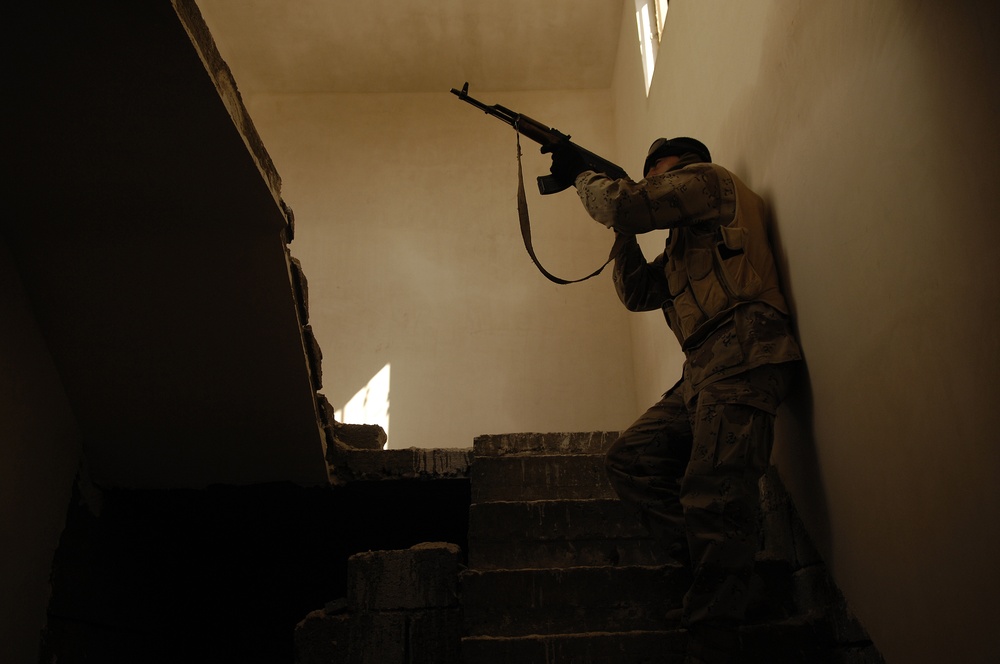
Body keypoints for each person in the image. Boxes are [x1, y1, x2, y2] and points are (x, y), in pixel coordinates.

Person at [546, 137, 803, 663]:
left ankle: (713, 635)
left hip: (745, 348)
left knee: (712, 493)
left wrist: (583, 177)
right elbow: (640, 292)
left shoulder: (707, 180)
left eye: (653, 172)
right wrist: (623, 232)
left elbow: (627, 202)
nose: (650, 181)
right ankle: (722, 585)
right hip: (704, 368)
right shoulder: (685, 242)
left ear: (675, 166)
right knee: (632, 460)